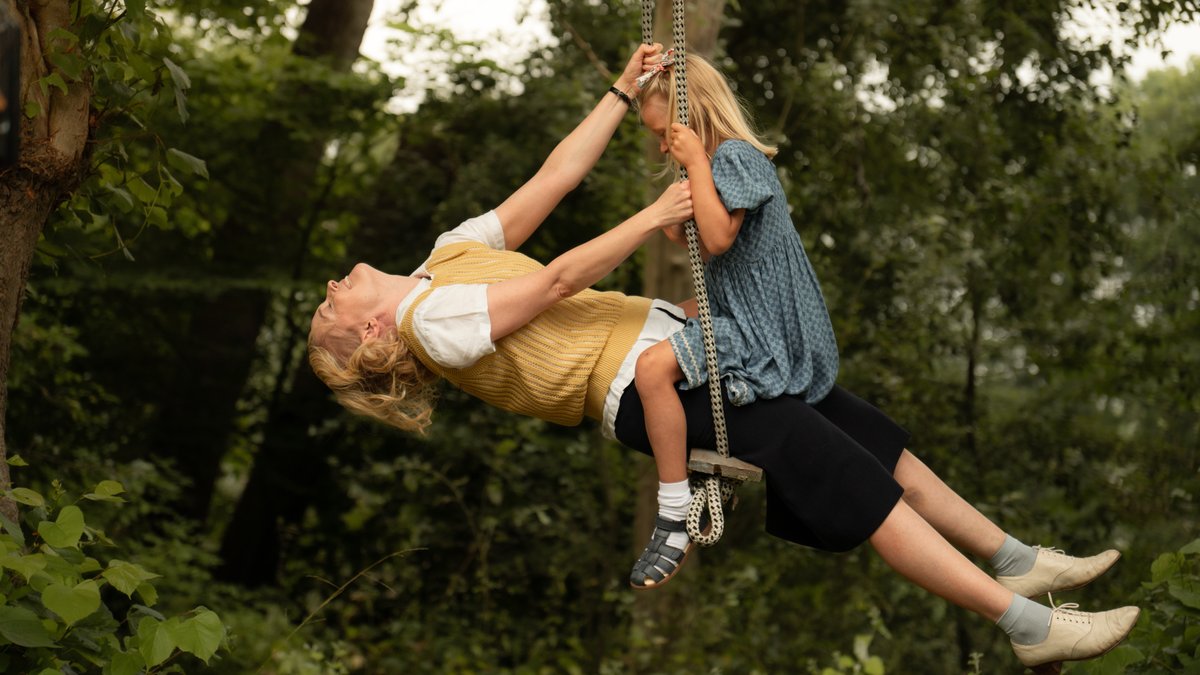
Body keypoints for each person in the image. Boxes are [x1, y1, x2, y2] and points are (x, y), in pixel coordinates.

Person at [306, 44, 1139, 673]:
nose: (333, 285)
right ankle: (1027, 625)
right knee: (838, 469)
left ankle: (1014, 559)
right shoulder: (434, 325)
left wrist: (620, 90)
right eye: (328, 308)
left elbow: (556, 177)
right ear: (372, 336)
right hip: (639, 386)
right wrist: (651, 214)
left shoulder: (441, 261)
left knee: (864, 430)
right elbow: (557, 280)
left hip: (685, 346)